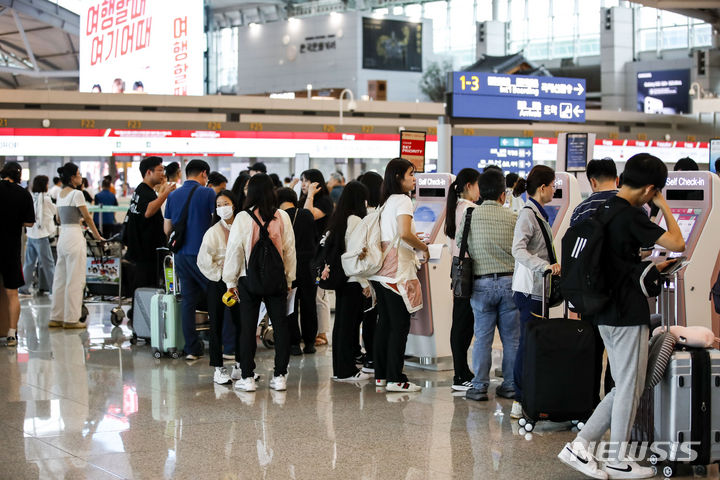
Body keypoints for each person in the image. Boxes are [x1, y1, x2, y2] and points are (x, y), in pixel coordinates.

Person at [558, 153, 685, 480]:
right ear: (650, 189)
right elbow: (677, 242)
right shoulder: (630, 214)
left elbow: (616, 262)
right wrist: (663, 205)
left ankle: (582, 446)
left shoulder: (603, 209)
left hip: (604, 310)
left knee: (625, 386)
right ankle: (615, 457)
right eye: (655, 192)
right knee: (629, 386)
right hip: (626, 311)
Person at [223, 174, 296, 392]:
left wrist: (230, 281)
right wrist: (289, 278)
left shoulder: (242, 218)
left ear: (251, 192)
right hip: (276, 280)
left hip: (248, 280)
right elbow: (289, 251)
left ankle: (247, 377)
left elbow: (234, 251)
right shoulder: (282, 216)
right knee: (281, 327)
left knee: (248, 328)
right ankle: (280, 376)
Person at [459, 169, 520, 402]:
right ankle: (510, 385)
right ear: (503, 194)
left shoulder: (470, 215)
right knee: (511, 339)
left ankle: (479, 387)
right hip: (510, 283)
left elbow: (460, 244)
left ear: (481, 192)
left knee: (482, 338)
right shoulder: (513, 217)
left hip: (481, 283)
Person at [369, 158, 429, 393]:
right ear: (398, 177)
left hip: (380, 273)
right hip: (397, 273)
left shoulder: (384, 202)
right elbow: (404, 233)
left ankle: (382, 376)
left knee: (384, 324)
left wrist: (413, 238)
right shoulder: (403, 200)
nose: (414, 179)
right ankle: (396, 379)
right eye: (411, 174)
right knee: (399, 326)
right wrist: (423, 247)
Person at [510, 165, 560, 418]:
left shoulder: (537, 213)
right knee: (527, 345)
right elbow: (517, 249)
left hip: (538, 289)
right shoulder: (528, 214)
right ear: (542, 188)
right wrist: (544, 266)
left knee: (533, 343)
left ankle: (531, 396)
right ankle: (519, 399)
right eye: (552, 185)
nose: (554, 190)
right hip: (530, 290)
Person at [164, 160, 216, 360]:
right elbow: (217, 223)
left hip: (180, 255)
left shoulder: (173, 195)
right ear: (204, 173)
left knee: (188, 301)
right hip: (202, 254)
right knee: (216, 295)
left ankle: (192, 349)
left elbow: (167, 229)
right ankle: (226, 345)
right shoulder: (208, 193)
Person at [49, 163, 104, 329]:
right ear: (73, 178)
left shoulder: (60, 194)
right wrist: (98, 236)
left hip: (63, 237)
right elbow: (88, 218)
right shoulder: (77, 194)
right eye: (79, 174)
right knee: (75, 279)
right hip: (74, 237)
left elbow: (58, 219)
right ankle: (71, 319)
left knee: (60, 279)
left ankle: (56, 317)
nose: (81, 177)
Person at [327, 181, 372, 381]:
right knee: (348, 326)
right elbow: (356, 254)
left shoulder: (339, 217)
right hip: (352, 279)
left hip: (342, 278)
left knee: (341, 324)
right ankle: (346, 371)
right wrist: (364, 283)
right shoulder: (355, 220)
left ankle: (340, 369)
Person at [197, 190, 243, 385]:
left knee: (242, 324)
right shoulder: (213, 232)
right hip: (218, 283)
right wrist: (221, 275)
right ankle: (218, 367)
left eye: (226, 203)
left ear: (234, 205)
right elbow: (203, 261)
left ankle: (241, 365)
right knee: (216, 324)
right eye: (219, 205)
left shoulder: (242, 226)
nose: (222, 208)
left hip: (239, 282)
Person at [444, 168, 481, 391]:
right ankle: (460, 375)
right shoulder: (471, 210)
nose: (479, 191)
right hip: (470, 269)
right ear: (469, 185)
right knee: (464, 324)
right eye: (478, 185)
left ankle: (462, 371)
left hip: (457, 269)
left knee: (459, 321)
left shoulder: (455, 208)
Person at [124, 157, 176, 292]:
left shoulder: (143, 191)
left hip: (144, 252)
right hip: (145, 253)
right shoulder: (144, 191)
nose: (163, 174)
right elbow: (148, 212)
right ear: (149, 172)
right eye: (160, 170)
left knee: (144, 287)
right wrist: (165, 194)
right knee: (145, 288)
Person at [277, 187, 318, 356]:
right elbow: (315, 239)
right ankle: (310, 343)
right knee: (309, 303)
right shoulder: (307, 214)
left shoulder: (278, 216)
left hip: (288, 265)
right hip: (308, 266)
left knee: (290, 305)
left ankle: (294, 343)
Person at [0, 162, 34, 346]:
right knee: (12, 294)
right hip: (11, 249)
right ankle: (12, 334)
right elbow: (29, 223)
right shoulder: (23, 194)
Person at [299, 169, 334, 346]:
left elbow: (308, 216)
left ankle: (322, 332)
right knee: (308, 297)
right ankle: (309, 332)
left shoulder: (325, 201)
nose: (303, 184)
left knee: (319, 294)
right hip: (305, 254)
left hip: (320, 253)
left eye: (307, 181)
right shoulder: (303, 200)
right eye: (302, 181)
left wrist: (311, 195)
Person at [355, 171, 383, 372]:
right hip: (378, 271)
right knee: (375, 316)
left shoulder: (359, 215)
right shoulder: (379, 215)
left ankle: (368, 356)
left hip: (361, 273)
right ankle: (374, 356)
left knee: (366, 316)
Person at [20, 175, 56, 296]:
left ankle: (24, 288)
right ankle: (53, 289)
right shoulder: (45, 199)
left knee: (29, 263)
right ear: (44, 185)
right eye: (47, 183)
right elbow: (54, 211)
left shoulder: (30, 196)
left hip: (31, 234)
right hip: (42, 236)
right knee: (48, 264)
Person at [570, 158, 619, 227]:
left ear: (593, 182)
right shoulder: (629, 203)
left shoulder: (581, 210)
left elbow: (573, 233)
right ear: (617, 180)